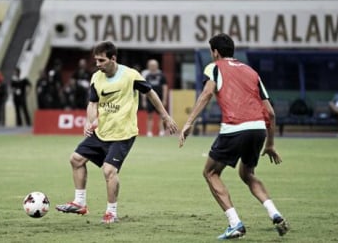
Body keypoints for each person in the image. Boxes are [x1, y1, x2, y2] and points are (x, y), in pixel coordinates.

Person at [179, 33, 289, 240]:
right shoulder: (251, 72)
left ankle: (235, 223)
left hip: (235, 127)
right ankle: (275, 213)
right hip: (258, 128)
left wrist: (189, 122)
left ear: (215, 52)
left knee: (210, 172)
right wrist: (270, 144)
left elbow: (206, 94)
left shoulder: (215, 67)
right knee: (247, 174)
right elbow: (271, 113)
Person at [56, 41, 178, 223]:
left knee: (108, 171)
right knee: (76, 159)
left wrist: (166, 116)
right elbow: (92, 103)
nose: (97, 64)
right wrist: (91, 121)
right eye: (96, 60)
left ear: (113, 58)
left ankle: (111, 213)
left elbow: (150, 93)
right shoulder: (96, 77)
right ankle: (79, 203)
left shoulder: (130, 75)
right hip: (102, 131)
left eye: (101, 60)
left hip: (123, 133)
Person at [142, 59, 168, 137]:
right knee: (149, 115)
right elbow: (143, 88)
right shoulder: (147, 76)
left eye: (154, 65)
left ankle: (161, 132)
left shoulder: (162, 76)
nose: (152, 67)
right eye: (151, 65)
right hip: (149, 99)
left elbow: (165, 88)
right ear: (148, 66)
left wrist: (164, 99)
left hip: (159, 98)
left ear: (157, 66)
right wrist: (144, 100)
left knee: (162, 115)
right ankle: (149, 132)